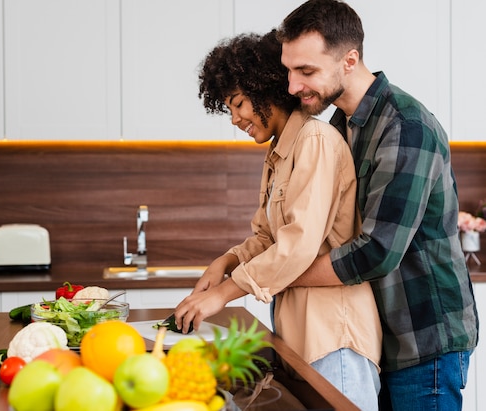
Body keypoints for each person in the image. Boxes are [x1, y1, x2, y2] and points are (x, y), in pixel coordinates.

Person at [275, 1, 479, 410]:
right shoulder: (339, 126)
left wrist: (280, 275)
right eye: (289, 70)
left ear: (349, 60)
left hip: (424, 339)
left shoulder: (405, 125)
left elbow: (376, 250)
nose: (293, 86)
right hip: (383, 338)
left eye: (307, 71)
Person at [173, 31, 382, 410]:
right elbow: (269, 237)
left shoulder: (314, 140)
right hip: (302, 337)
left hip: (334, 337)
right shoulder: (280, 152)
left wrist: (222, 294)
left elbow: (297, 245)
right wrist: (227, 261)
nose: (235, 119)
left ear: (266, 87)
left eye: (239, 104)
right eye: (228, 109)